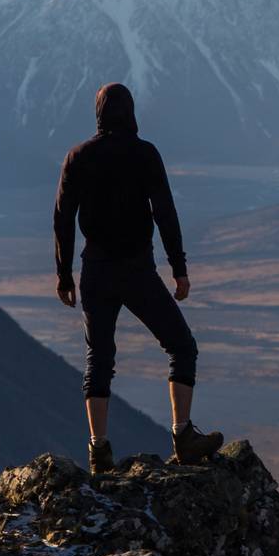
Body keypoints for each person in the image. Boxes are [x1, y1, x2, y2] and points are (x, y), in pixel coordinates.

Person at [53, 82, 224, 473]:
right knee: (181, 346)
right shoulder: (145, 154)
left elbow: (62, 218)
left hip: (95, 269)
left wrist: (63, 275)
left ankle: (99, 450)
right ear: (130, 113)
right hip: (137, 270)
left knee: (99, 358)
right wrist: (178, 268)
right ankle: (183, 436)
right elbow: (165, 212)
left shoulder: (78, 156)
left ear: (98, 113)